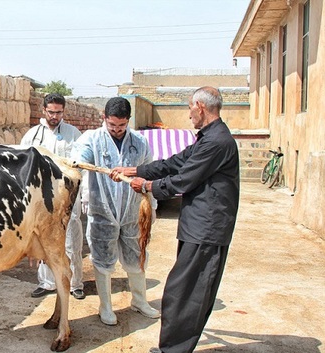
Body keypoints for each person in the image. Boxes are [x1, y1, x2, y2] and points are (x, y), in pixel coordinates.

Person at [110, 87, 240, 353]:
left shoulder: (217, 142)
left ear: (201, 107)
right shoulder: (208, 138)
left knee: (187, 292)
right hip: (197, 225)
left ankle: (173, 350)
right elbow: (177, 161)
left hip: (208, 228)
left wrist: (147, 186)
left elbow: (184, 179)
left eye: (190, 107)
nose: (188, 113)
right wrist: (136, 169)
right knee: (184, 290)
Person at [71, 96, 160, 325]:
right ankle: (106, 307)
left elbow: (149, 171)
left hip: (131, 210)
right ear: (105, 119)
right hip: (103, 212)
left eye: (121, 126)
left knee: (137, 256)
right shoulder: (92, 139)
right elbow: (80, 163)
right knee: (102, 259)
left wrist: (150, 204)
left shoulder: (139, 142)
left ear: (128, 121)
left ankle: (139, 301)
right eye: (112, 125)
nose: (117, 130)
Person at [20, 92, 86, 300]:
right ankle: (47, 282)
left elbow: (81, 165)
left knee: (71, 239)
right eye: (51, 112)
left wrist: (82, 195)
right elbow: (23, 165)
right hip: (41, 196)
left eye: (58, 112)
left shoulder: (73, 134)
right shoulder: (32, 135)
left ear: (63, 112)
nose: (54, 116)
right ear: (44, 111)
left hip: (67, 195)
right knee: (43, 239)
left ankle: (75, 284)